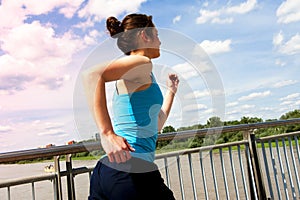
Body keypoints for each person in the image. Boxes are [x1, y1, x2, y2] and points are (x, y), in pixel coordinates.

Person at [84, 13, 179, 200]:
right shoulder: (143, 62)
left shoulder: (140, 73)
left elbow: (156, 123)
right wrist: (107, 134)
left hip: (108, 172)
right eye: (157, 34)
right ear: (144, 35)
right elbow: (91, 75)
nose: (160, 41)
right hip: (131, 171)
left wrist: (171, 92)